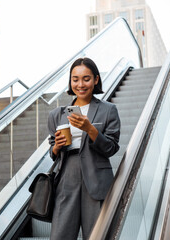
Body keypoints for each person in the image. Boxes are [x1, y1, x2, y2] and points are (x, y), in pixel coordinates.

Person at [47, 57, 120, 239]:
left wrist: (90, 129)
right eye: (75, 79)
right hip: (66, 178)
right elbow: (52, 153)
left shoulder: (108, 110)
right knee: (60, 235)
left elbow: (111, 148)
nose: (80, 84)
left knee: (97, 235)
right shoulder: (58, 114)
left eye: (86, 79)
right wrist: (56, 147)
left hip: (96, 177)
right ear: (70, 81)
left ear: (95, 80)